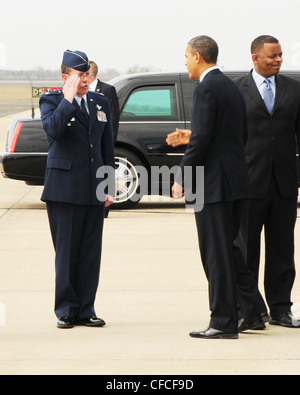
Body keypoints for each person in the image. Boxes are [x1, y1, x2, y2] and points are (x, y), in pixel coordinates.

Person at [172, 36, 269, 339]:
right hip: (236, 181)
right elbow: (237, 136)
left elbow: (201, 139)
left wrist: (182, 177)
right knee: (231, 250)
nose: (185, 61)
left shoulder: (205, 88)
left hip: (213, 186)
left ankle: (223, 321)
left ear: (199, 56)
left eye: (186, 56)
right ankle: (252, 311)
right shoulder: (230, 86)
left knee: (216, 254)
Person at [39, 50, 115, 329]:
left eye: (87, 75)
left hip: (94, 189)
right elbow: (53, 131)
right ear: (65, 77)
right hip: (64, 189)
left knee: (90, 253)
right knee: (67, 252)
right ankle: (66, 311)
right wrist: (68, 100)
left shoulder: (100, 101)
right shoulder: (51, 100)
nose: (85, 80)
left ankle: (86, 309)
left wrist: (108, 184)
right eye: (79, 76)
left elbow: (107, 145)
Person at [234, 35, 300, 328]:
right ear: (255, 58)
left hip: (284, 183)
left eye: (280, 55)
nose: (278, 60)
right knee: (246, 251)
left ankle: (281, 309)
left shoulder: (294, 89)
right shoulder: (237, 90)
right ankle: (250, 309)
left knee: (282, 250)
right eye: (272, 56)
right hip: (248, 183)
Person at [88, 61, 119, 218]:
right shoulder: (81, 92)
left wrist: (109, 141)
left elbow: (113, 118)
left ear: (91, 74)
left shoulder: (107, 90)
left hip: (102, 143)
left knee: (105, 173)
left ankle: (104, 207)